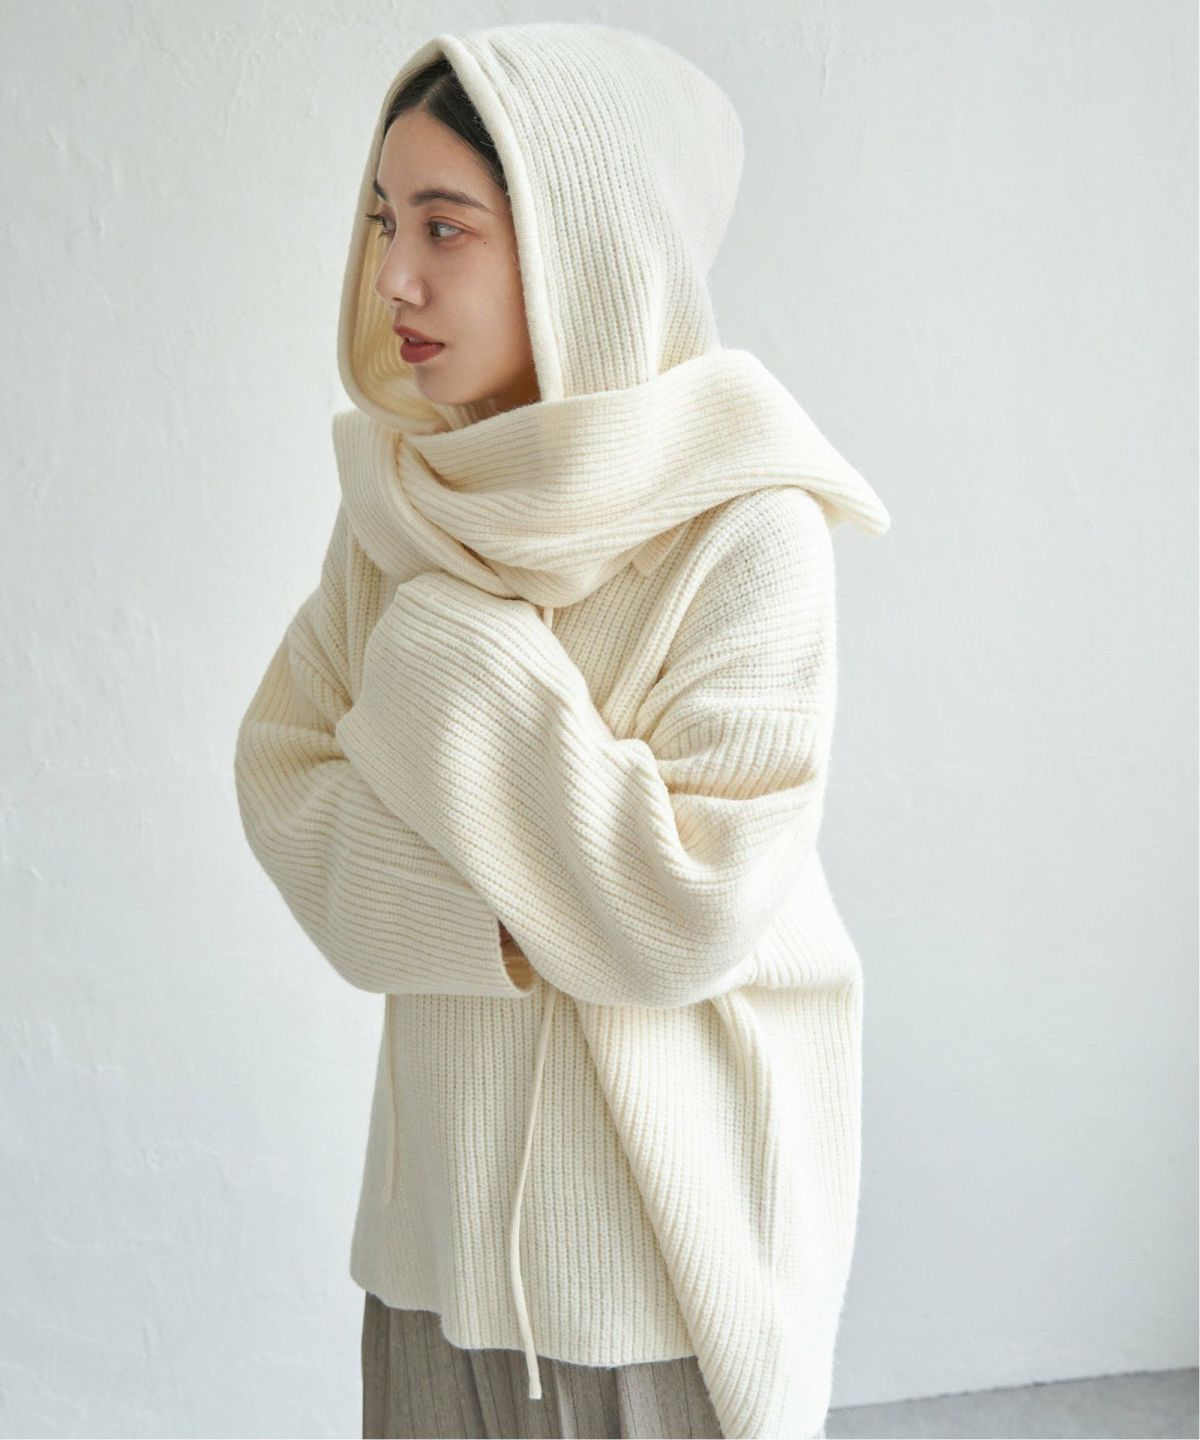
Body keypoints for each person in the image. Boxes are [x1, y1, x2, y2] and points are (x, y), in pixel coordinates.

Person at [233, 20, 891, 1440]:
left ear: (584, 249)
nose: (394, 277)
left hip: (654, 1278)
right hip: (428, 1248)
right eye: (384, 221)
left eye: (447, 227)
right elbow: (286, 783)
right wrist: (520, 926)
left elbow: (682, 908)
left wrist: (451, 657)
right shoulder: (404, 499)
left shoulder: (747, 528)